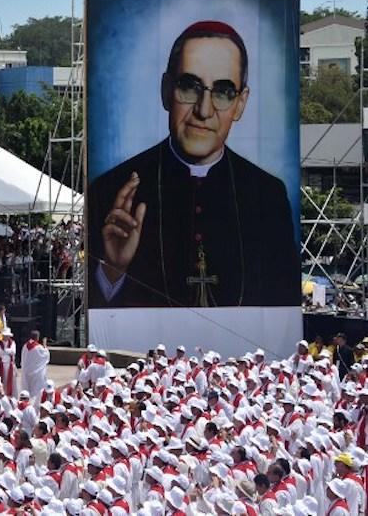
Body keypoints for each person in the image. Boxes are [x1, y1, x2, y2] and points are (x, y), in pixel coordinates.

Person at [88, 20, 299, 307]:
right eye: (189, 86)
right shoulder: (110, 190)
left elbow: (283, 301)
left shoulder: (268, 195)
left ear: (241, 103)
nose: (203, 110)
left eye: (223, 92)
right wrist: (113, 270)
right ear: (166, 90)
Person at [20, 330, 50, 403]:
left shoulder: (25, 346)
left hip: (26, 372)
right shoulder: (39, 348)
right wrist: (45, 344)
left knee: (26, 389)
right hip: (35, 373)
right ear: (37, 338)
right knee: (35, 391)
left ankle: (25, 402)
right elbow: (46, 355)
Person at [0, 327, 17, 397]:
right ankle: (2, 394)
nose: (5, 337)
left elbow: (13, 352)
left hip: (10, 364)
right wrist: (7, 351)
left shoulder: (12, 343)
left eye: (7, 335)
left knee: (12, 381)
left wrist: (5, 351)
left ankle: (11, 395)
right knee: (2, 380)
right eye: (4, 335)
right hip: (1, 364)